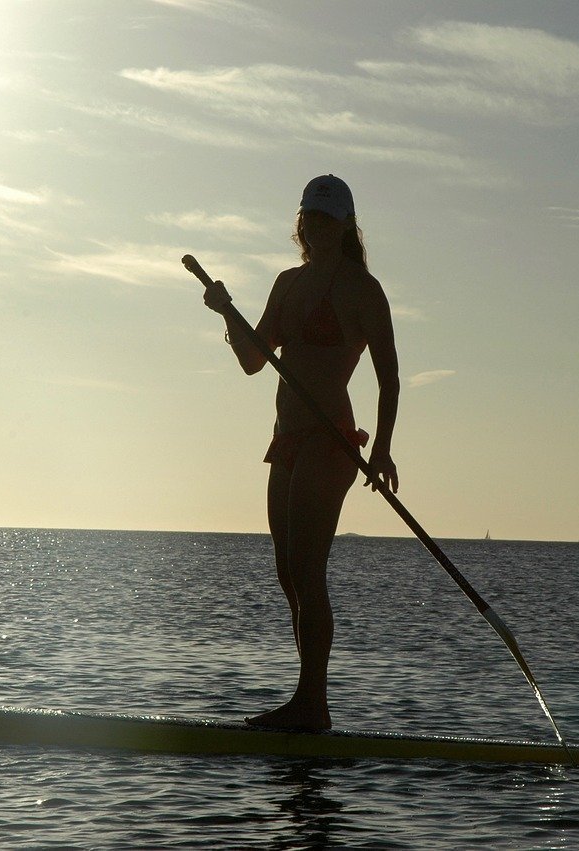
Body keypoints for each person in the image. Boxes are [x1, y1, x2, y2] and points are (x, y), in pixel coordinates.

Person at [202, 174, 400, 731]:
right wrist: (226, 312)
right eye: (309, 218)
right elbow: (253, 359)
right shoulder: (287, 284)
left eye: (327, 220)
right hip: (286, 437)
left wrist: (382, 450)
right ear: (301, 224)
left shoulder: (365, 290)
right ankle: (307, 701)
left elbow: (389, 378)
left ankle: (313, 703)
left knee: (308, 569)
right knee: (288, 571)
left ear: (345, 228)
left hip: (331, 436)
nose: (316, 228)